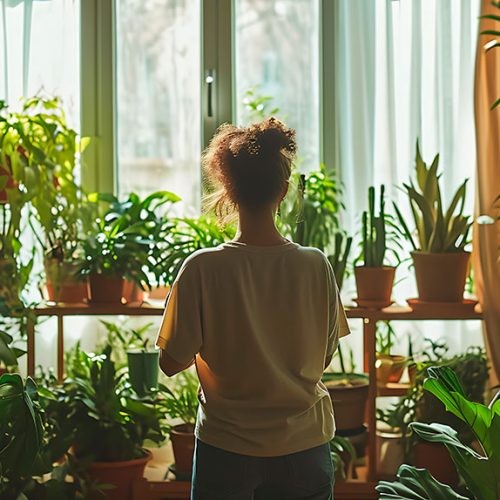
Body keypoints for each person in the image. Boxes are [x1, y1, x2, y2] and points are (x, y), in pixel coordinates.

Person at [157, 117, 350, 500]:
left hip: (226, 449)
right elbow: (324, 356)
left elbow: (169, 362)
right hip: (304, 447)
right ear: (283, 191)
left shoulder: (201, 268)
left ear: (228, 189)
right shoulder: (315, 265)